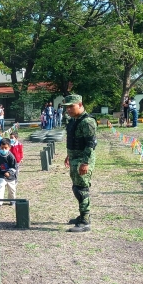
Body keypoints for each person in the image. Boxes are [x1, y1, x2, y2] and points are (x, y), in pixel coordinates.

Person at [63, 94, 97, 232]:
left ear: (80, 105)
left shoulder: (87, 121)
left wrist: (85, 162)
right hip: (74, 158)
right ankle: (83, 215)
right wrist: (68, 155)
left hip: (83, 160)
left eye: (72, 106)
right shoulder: (74, 120)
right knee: (76, 188)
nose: (69, 110)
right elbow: (74, 140)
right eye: (67, 107)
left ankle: (85, 221)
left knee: (81, 189)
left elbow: (90, 144)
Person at [0, 138, 18, 210]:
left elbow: (14, 167)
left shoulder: (11, 156)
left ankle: (12, 200)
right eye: (2, 147)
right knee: (0, 188)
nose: (3, 149)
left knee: (12, 190)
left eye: (5, 148)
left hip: (10, 177)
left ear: (9, 147)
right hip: (1, 175)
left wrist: (9, 172)